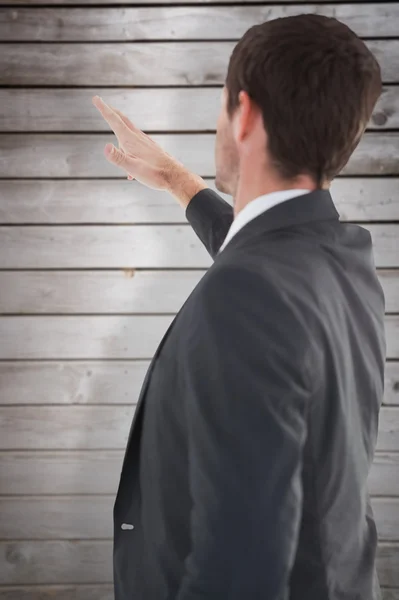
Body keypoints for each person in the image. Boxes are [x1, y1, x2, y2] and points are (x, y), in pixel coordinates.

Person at [93, 13, 386, 600]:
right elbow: (266, 249)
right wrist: (181, 182)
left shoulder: (248, 296)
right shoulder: (344, 256)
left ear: (244, 114)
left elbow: (241, 565)